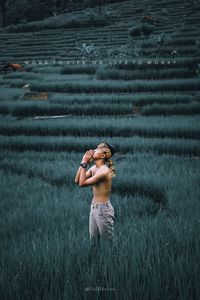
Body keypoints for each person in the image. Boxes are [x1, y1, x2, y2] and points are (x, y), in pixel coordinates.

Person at [75, 141, 116, 261]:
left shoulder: (104, 171)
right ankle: (94, 266)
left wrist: (84, 163)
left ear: (103, 155)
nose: (93, 150)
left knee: (109, 245)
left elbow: (82, 183)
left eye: (97, 149)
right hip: (94, 208)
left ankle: (115, 267)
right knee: (93, 243)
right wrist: (83, 162)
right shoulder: (94, 168)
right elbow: (77, 180)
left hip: (103, 210)